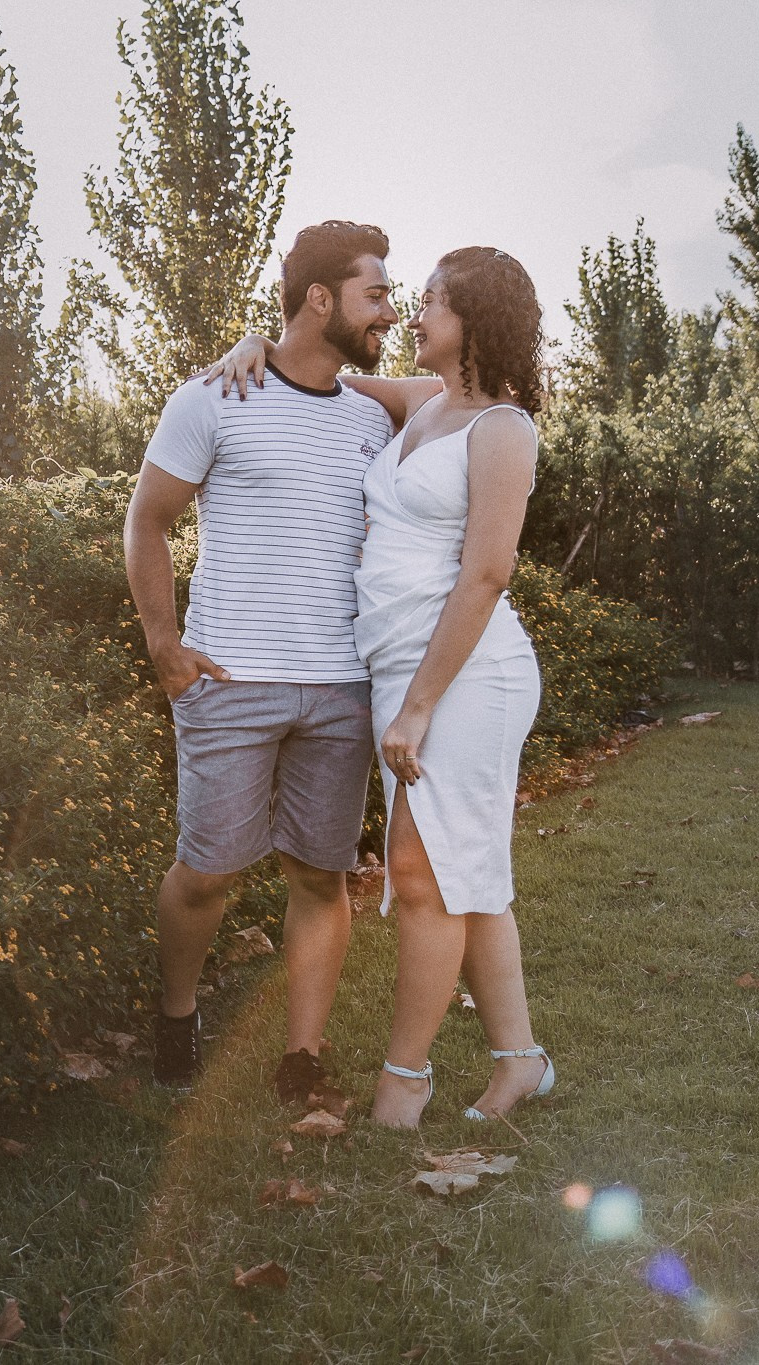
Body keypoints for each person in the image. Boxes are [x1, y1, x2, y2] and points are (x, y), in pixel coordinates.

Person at [206, 246, 553, 1128]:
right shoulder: (419, 402)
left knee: (424, 874)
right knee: (467, 869)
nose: (409, 313)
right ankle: (519, 1063)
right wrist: (256, 338)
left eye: (431, 299)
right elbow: (311, 369)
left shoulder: (502, 429)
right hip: (406, 668)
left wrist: (420, 704)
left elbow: (485, 576)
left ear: (474, 317)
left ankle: (404, 1078)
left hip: (468, 674)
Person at [123, 221, 399, 1100]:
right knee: (207, 875)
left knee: (322, 875)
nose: (389, 311)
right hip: (230, 680)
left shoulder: (369, 415)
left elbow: (472, 390)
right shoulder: (211, 397)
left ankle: (302, 1058)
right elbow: (147, 522)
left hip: (341, 687)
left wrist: (308, 354)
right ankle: (176, 1011)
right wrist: (165, 647)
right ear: (321, 298)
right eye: (375, 295)